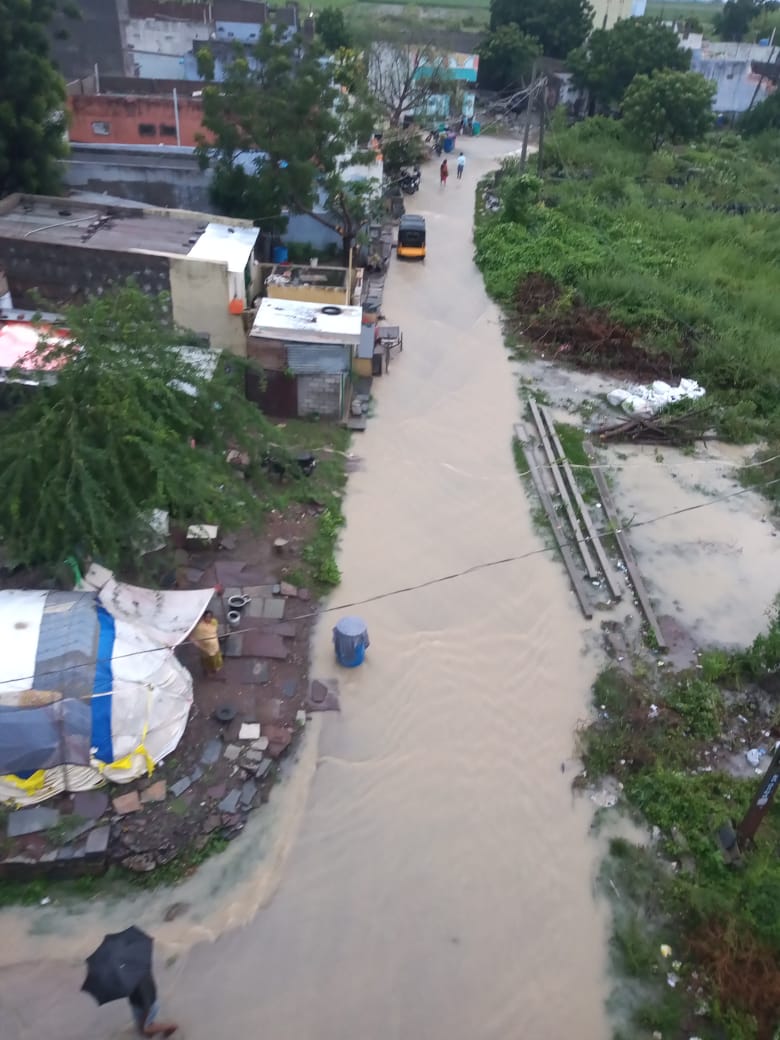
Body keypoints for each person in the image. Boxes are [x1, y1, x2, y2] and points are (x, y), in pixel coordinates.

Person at [193, 609, 223, 675]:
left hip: (215, 646)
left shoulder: (214, 622)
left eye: (210, 617)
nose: (209, 619)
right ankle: (207, 670)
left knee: (216, 659)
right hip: (205, 649)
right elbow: (196, 638)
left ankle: (215, 668)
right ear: (203, 617)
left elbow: (214, 631)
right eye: (207, 617)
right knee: (207, 661)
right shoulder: (199, 627)